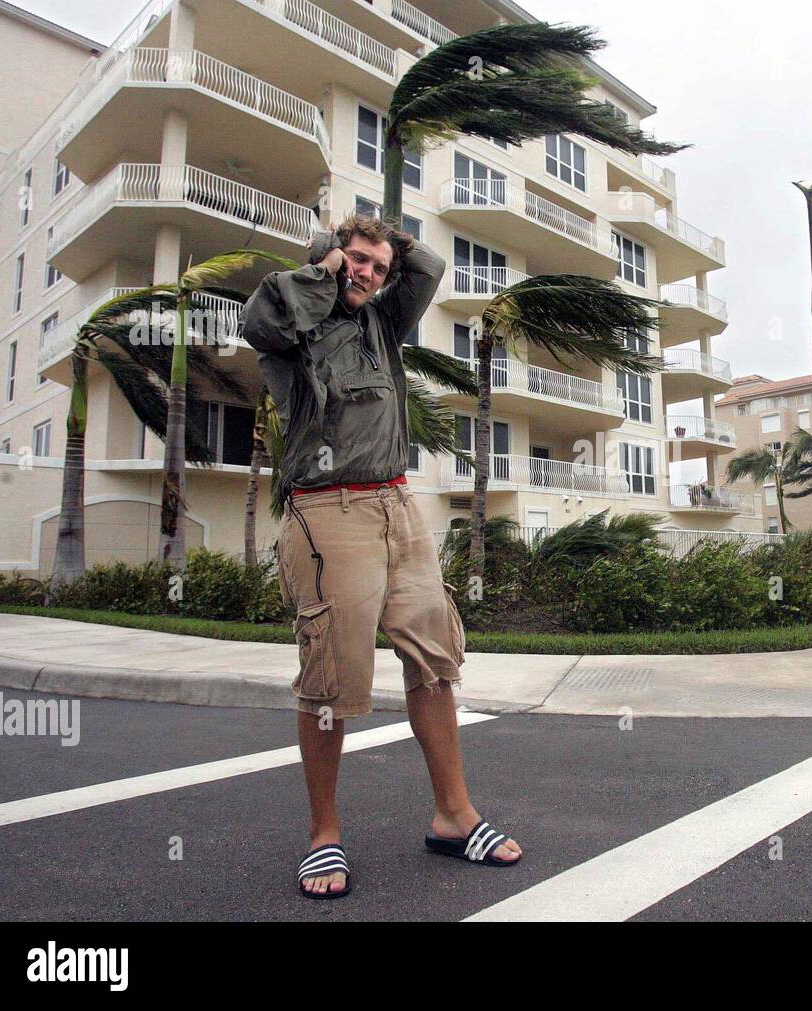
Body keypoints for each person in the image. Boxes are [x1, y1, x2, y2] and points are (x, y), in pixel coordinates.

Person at [242, 213, 522, 899]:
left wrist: (386, 242)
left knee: (434, 656)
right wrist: (329, 263)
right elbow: (262, 319)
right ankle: (323, 833)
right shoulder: (295, 324)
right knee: (333, 679)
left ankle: (454, 815)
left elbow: (426, 267)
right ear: (331, 256)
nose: (366, 271)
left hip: (398, 507)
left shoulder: (380, 325)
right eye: (355, 260)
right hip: (328, 510)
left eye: (375, 264)